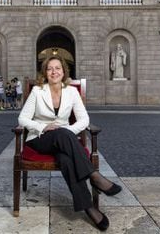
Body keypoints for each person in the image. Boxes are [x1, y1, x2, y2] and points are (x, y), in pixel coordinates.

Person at [18, 55, 121, 231]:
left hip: (63, 140)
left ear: (64, 71)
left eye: (57, 68)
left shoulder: (72, 92)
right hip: (39, 139)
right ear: (45, 72)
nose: (54, 71)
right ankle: (94, 176)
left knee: (66, 160)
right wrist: (43, 127)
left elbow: (84, 120)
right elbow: (22, 118)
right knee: (60, 135)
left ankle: (89, 208)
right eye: (50, 68)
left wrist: (66, 132)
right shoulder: (37, 91)